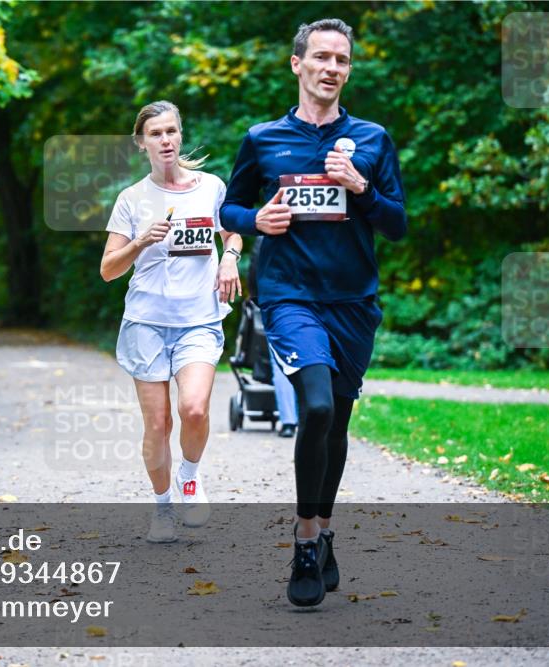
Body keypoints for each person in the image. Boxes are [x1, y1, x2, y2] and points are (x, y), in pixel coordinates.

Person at [220, 19, 407, 606]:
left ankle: (325, 531)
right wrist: (257, 222)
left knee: (339, 422)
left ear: (348, 70)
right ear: (297, 64)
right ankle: (304, 540)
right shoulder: (263, 138)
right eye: (321, 57)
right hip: (289, 295)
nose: (332, 68)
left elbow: (397, 223)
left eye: (342, 60)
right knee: (317, 406)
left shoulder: (372, 139)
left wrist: (363, 189)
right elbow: (230, 206)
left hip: (353, 302)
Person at [101, 100, 242, 543]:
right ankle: (162, 508)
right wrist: (141, 242)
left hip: (199, 318)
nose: (165, 140)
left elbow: (234, 230)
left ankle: (190, 476)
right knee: (158, 424)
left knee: (194, 408)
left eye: (171, 131)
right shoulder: (132, 199)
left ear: (180, 135)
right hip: (146, 322)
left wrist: (230, 260)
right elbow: (108, 269)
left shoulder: (211, 188)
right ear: (141, 143)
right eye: (156, 134)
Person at [248, 236, 298, 437]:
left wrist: (258, 301)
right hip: (313, 304)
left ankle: (288, 421)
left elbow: (254, 270)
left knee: (280, 362)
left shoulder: (265, 233)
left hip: (277, 305)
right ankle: (309, 417)